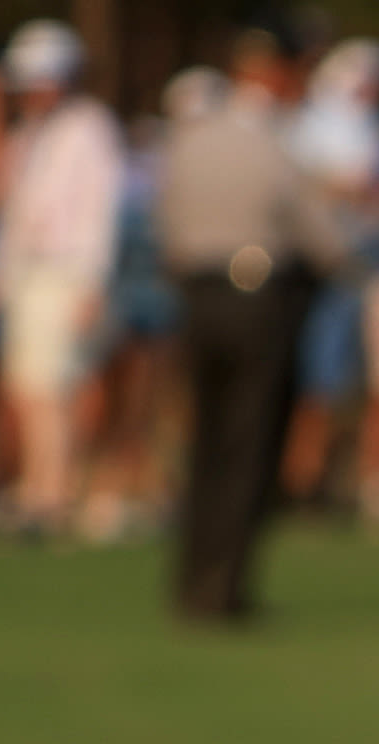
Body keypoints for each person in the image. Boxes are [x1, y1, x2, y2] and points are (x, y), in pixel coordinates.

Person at [157, 28, 342, 618]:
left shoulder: (194, 135)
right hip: (258, 294)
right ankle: (226, 586)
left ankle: (191, 577)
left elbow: (168, 219)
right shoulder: (275, 140)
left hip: (198, 293)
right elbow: (320, 237)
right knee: (248, 445)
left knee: (208, 441)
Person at [0, 19, 125, 539]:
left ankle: (54, 494)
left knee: (55, 388)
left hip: (67, 272)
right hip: (28, 275)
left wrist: (92, 280)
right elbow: (16, 213)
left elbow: (98, 210)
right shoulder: (27, 134)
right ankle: (39, 487)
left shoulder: (90, 128)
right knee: (28, 389)